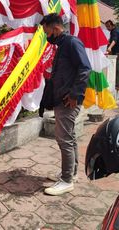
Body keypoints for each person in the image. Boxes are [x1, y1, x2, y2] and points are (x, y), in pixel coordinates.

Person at [39, 13, 91, 196]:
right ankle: (72, 173)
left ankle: (67, 180)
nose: (47, 36)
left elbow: (85, 68)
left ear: (55, 28)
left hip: (69, 99)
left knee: (64, 139)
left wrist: (75, 94)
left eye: (47, 31)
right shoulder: (62, 45)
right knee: (69, 137)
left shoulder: (71, 43)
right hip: (63, 98)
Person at [105, 20, 119, 94]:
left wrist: (110, 47)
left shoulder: (115, 31)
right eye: (106, 26)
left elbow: (114, 40)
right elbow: (112, 40)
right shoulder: (115, 31)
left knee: (118, 67)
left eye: (108, 26)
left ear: (112, 25)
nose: (107, 28)